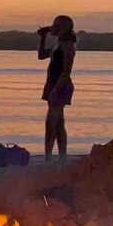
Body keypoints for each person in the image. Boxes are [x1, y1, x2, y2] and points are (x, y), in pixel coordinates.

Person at [37, 15, 76, 161]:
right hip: (52, 83)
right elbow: (41, 55)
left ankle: (48, 157)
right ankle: (62, 157)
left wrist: (56, 89)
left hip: (60, 85)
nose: (53, 26)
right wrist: (43, 37)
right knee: (58, 123)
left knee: (51, 122)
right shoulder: (58, 42)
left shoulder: (67, 44)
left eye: (56, 24)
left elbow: (67, 70)